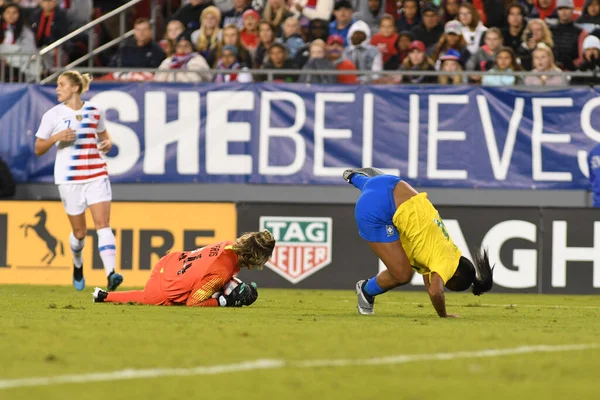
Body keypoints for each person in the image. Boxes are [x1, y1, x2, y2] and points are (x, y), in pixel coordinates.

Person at [342, 167, 494, 317]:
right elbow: (435, 291)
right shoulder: (447, 264)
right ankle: (366, 290)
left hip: (392, 183)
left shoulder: (448, 251)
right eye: (448, 284)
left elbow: (429, 281)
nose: (443, 283)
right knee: (402, 275)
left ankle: (359, 178)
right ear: (456, 274)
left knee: (376, 190)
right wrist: (443, 315)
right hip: (375, 209)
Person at [34, 71, 124, 292]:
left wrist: (108, 143)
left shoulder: (95, 110)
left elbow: (104, 136)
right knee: (80, 233)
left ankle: (111, 274)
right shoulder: (53, 115)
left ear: (75, 88)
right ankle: (77, 263)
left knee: (103, 225)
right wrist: (56, 138)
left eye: (61, 84)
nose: (57, 89)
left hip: (96, 174)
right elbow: (38, 148)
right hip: (69, 179)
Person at [92, 231, 275, 307]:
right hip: (164, 288)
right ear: (256, 257)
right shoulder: (223, 272)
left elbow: (207, 273)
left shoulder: (229, 246)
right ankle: (104, 296)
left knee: (215, 289)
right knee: (149, 298)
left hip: (170, 263)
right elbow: (193, 302)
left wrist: (232, 287)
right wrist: (224, 301)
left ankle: (103, 295)